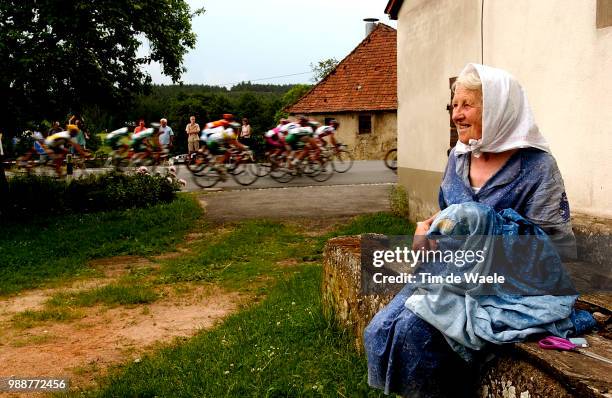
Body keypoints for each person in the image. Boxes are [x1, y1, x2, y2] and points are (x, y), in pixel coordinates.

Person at [363, 64, 588, 397]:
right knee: (379, 330)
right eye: (453, 106)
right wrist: (427, 226)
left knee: (415, 336)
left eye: (467, 105)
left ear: (497, 109)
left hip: (505, 289)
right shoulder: (458, 157)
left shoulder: (538, 168)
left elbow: (556, 249)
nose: (456, 115)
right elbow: (447, 210)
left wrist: (487, 225)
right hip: (447, 276)